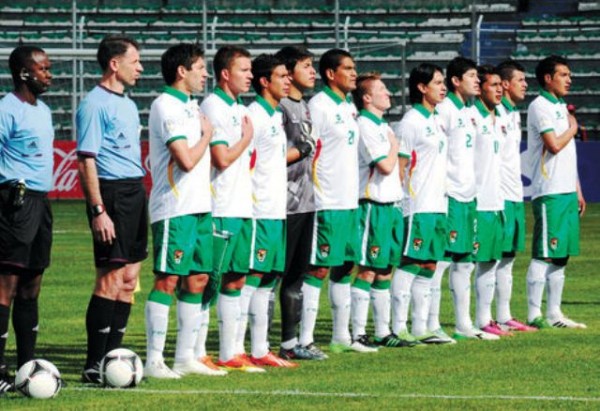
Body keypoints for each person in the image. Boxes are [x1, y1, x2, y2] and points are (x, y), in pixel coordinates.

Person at [143, 43, 226, 378]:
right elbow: (187, 160)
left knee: (198, 280)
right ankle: (153, 360)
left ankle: (184, 358)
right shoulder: (166, 106)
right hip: (174, 208)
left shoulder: (192, 107)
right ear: (182, 71)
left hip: (199, 207)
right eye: (200, 67)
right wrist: (207, 134)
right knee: (168, 279)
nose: (205, 74)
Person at [76, 35, 148, 383]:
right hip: (113, 194)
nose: (141, 68)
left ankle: (114, 360)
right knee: (110, 278)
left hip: (135, 190)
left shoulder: (129, 104)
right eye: (135, 61)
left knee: (130, 279)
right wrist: (98, 210)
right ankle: (93, 364)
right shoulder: (93, 104)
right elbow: (86, 160)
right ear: (114, 64)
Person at [200, 46, 264, 372]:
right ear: (225, 73)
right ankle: (197, 352)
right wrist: (247, 137)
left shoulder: (238, 108)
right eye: (244, 69)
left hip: (242, 205)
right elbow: (221, 158)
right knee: (208, 282)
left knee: (236, 280)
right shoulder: (214, 106)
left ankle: (229, 353)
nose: (250, 75)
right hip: (221, 204)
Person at [302, 49, 367, 354]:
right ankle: (304, 339)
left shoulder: (349, 108)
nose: (355, 74)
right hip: (325, 200)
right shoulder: (319, 106)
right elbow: (306, 152)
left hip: (348, 201)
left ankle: (342, 337)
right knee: (318, 269)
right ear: (330, 73)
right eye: (348, 69)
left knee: (344, 266)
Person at [234, 54, 297, 368]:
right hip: (258, 209)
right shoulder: (253, 115)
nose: (288, 81)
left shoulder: (276, 115)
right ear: (264, 81)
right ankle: (236, 348)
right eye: (282, 76)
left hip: (277, 208)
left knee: (269, 278)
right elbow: (245, 164)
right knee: (251, 277)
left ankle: (260, 349)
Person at [0, 46, 53, 394]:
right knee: (7, 283)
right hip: (14, 200)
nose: (49, 74)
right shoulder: (6, 108)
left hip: (41, 201)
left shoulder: (45, 109)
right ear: (24, 73)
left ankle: (27, 366)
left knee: (33, 282)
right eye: (43, 69)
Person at [349, 72, 410, 348]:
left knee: (385, 270)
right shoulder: (364, 125)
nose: (388, 93)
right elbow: (385, 165)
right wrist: (395, 145)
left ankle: (382, 331)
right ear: (366, 97)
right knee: (367, 270)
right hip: (372, 204)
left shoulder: (383, 126)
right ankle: (358, 332)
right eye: (382, 89)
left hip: (391, 203)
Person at [525, 55, 587, 329]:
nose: (569, 79)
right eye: (563, 74)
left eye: (570, 74)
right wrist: (573, 128)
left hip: (566, 190)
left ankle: (555, 313)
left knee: (562, 253)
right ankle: (533, 313)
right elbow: (553, 145)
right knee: (544, 251)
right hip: (548, 190)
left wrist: (578, 190)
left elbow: (568, 155)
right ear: (548, 78)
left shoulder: (561, 106)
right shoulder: (540, 106)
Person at [392, 63, 451, 345]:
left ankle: (420, 327)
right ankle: (398, 327)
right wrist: (400, 202)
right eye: (437, 83)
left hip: (437, 204)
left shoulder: (437, 120)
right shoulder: (411, 122)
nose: (443, 87)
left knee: (429, 265)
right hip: (417, 205)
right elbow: (401, 166)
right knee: (411, 263)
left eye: (443, 82)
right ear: (421, 87)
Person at [273, 46, 325, 361]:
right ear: (289, 72)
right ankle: (258, 346)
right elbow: (272, 158)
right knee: (267, 277)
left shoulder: (304, 106)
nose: (312, 72)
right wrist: (304, 150)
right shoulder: (279, 108)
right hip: (283, 202)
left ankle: (291, 344)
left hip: (306, 201)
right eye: (306, 66)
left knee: (297, 276)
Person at [434, 56, 483, 341]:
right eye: (472, 76)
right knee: (441, 261)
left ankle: (464, 323)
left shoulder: (467, 111)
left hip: (468, 196)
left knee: (465, 261)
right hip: (449, 195)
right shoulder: (445, 110)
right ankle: (430, 323)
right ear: (456, 81)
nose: (477, 81)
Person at [495, 60, 537, 332]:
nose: (525, 84)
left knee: (508, 256)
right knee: (482, 258)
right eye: (520, 80)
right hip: (495, 195)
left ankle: (504, 315)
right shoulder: (493, 112)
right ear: (506, 83)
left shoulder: (513, 114)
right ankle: (480, 318)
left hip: (513, 193)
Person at [470, 65, 508, 338]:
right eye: (494, 85)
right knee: (461, 263)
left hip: (495, 200)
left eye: (500, 85)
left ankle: (485, 318)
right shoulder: (472, 117)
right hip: (476, 202)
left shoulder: (499, 117)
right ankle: (464, 321)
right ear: (480, 88)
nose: (500, 89)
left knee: (490, 262)